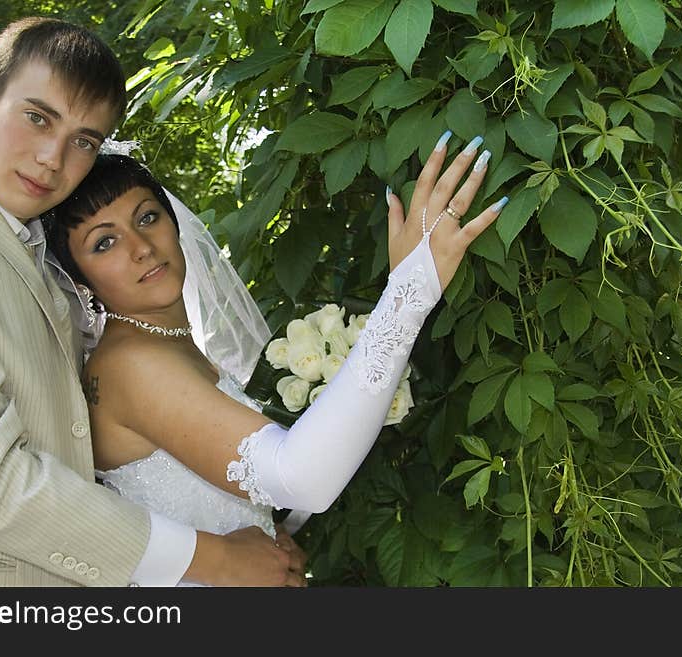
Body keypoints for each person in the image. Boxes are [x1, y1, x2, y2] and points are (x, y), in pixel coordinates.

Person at [0, 16, 305, 587]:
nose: (53, 157)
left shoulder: (55, 265)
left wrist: (243, 536)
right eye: (37, 117)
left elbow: (83, 454)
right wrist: (215, 560)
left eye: (83, 141)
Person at [43, 130, 510, 581]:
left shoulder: (169, 345)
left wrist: (270, 538)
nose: (141, 248)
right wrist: (410, 290)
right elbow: (303, 477)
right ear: (79, 281)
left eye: (146, 218)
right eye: (104, 243)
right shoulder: (131, 364)